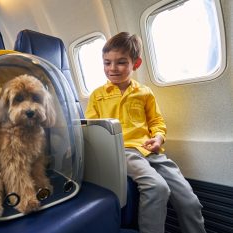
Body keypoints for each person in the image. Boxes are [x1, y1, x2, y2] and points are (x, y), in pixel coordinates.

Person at [85, 32, 206, 233]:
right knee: (157, 188)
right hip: (123, 151)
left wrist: (158, 137)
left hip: (152, 151)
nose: (112, 68)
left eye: (121, 62)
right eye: (107, 63)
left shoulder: (144, 93)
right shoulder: (97, 96)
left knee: (189, 199)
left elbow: (156, 121)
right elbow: (92, 129)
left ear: (136, 63)